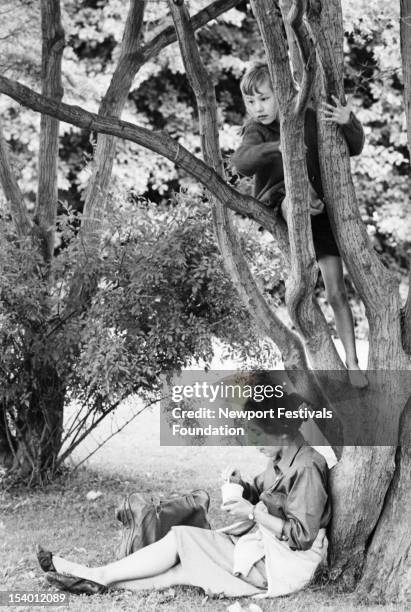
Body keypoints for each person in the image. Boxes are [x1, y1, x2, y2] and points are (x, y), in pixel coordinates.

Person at [36, 375, 331, 599]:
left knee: (181, 539)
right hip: (265, 550)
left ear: (280, 431)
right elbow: (260, 490)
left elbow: (301, 536)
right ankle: (96, 583)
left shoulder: (307, 467)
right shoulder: (279, 457)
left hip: (281, 564)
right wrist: (240, 484)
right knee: (180, 570)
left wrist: (252, 513)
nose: (251, 444)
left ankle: (96, 574)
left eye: (256, 435)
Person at [232, 62, 367, 388]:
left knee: (336, 292)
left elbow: (355, 146)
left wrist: (349, 123)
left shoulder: (307, 118)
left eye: (263, 99)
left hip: (319, 216)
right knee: (295, 202)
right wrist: (279, 146)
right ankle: (304, 215)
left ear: (280, 94)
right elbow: (241, 163)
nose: (257, 108)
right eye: (251, 102)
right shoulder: (257, 131)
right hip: (284, 206)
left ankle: (352, 363)